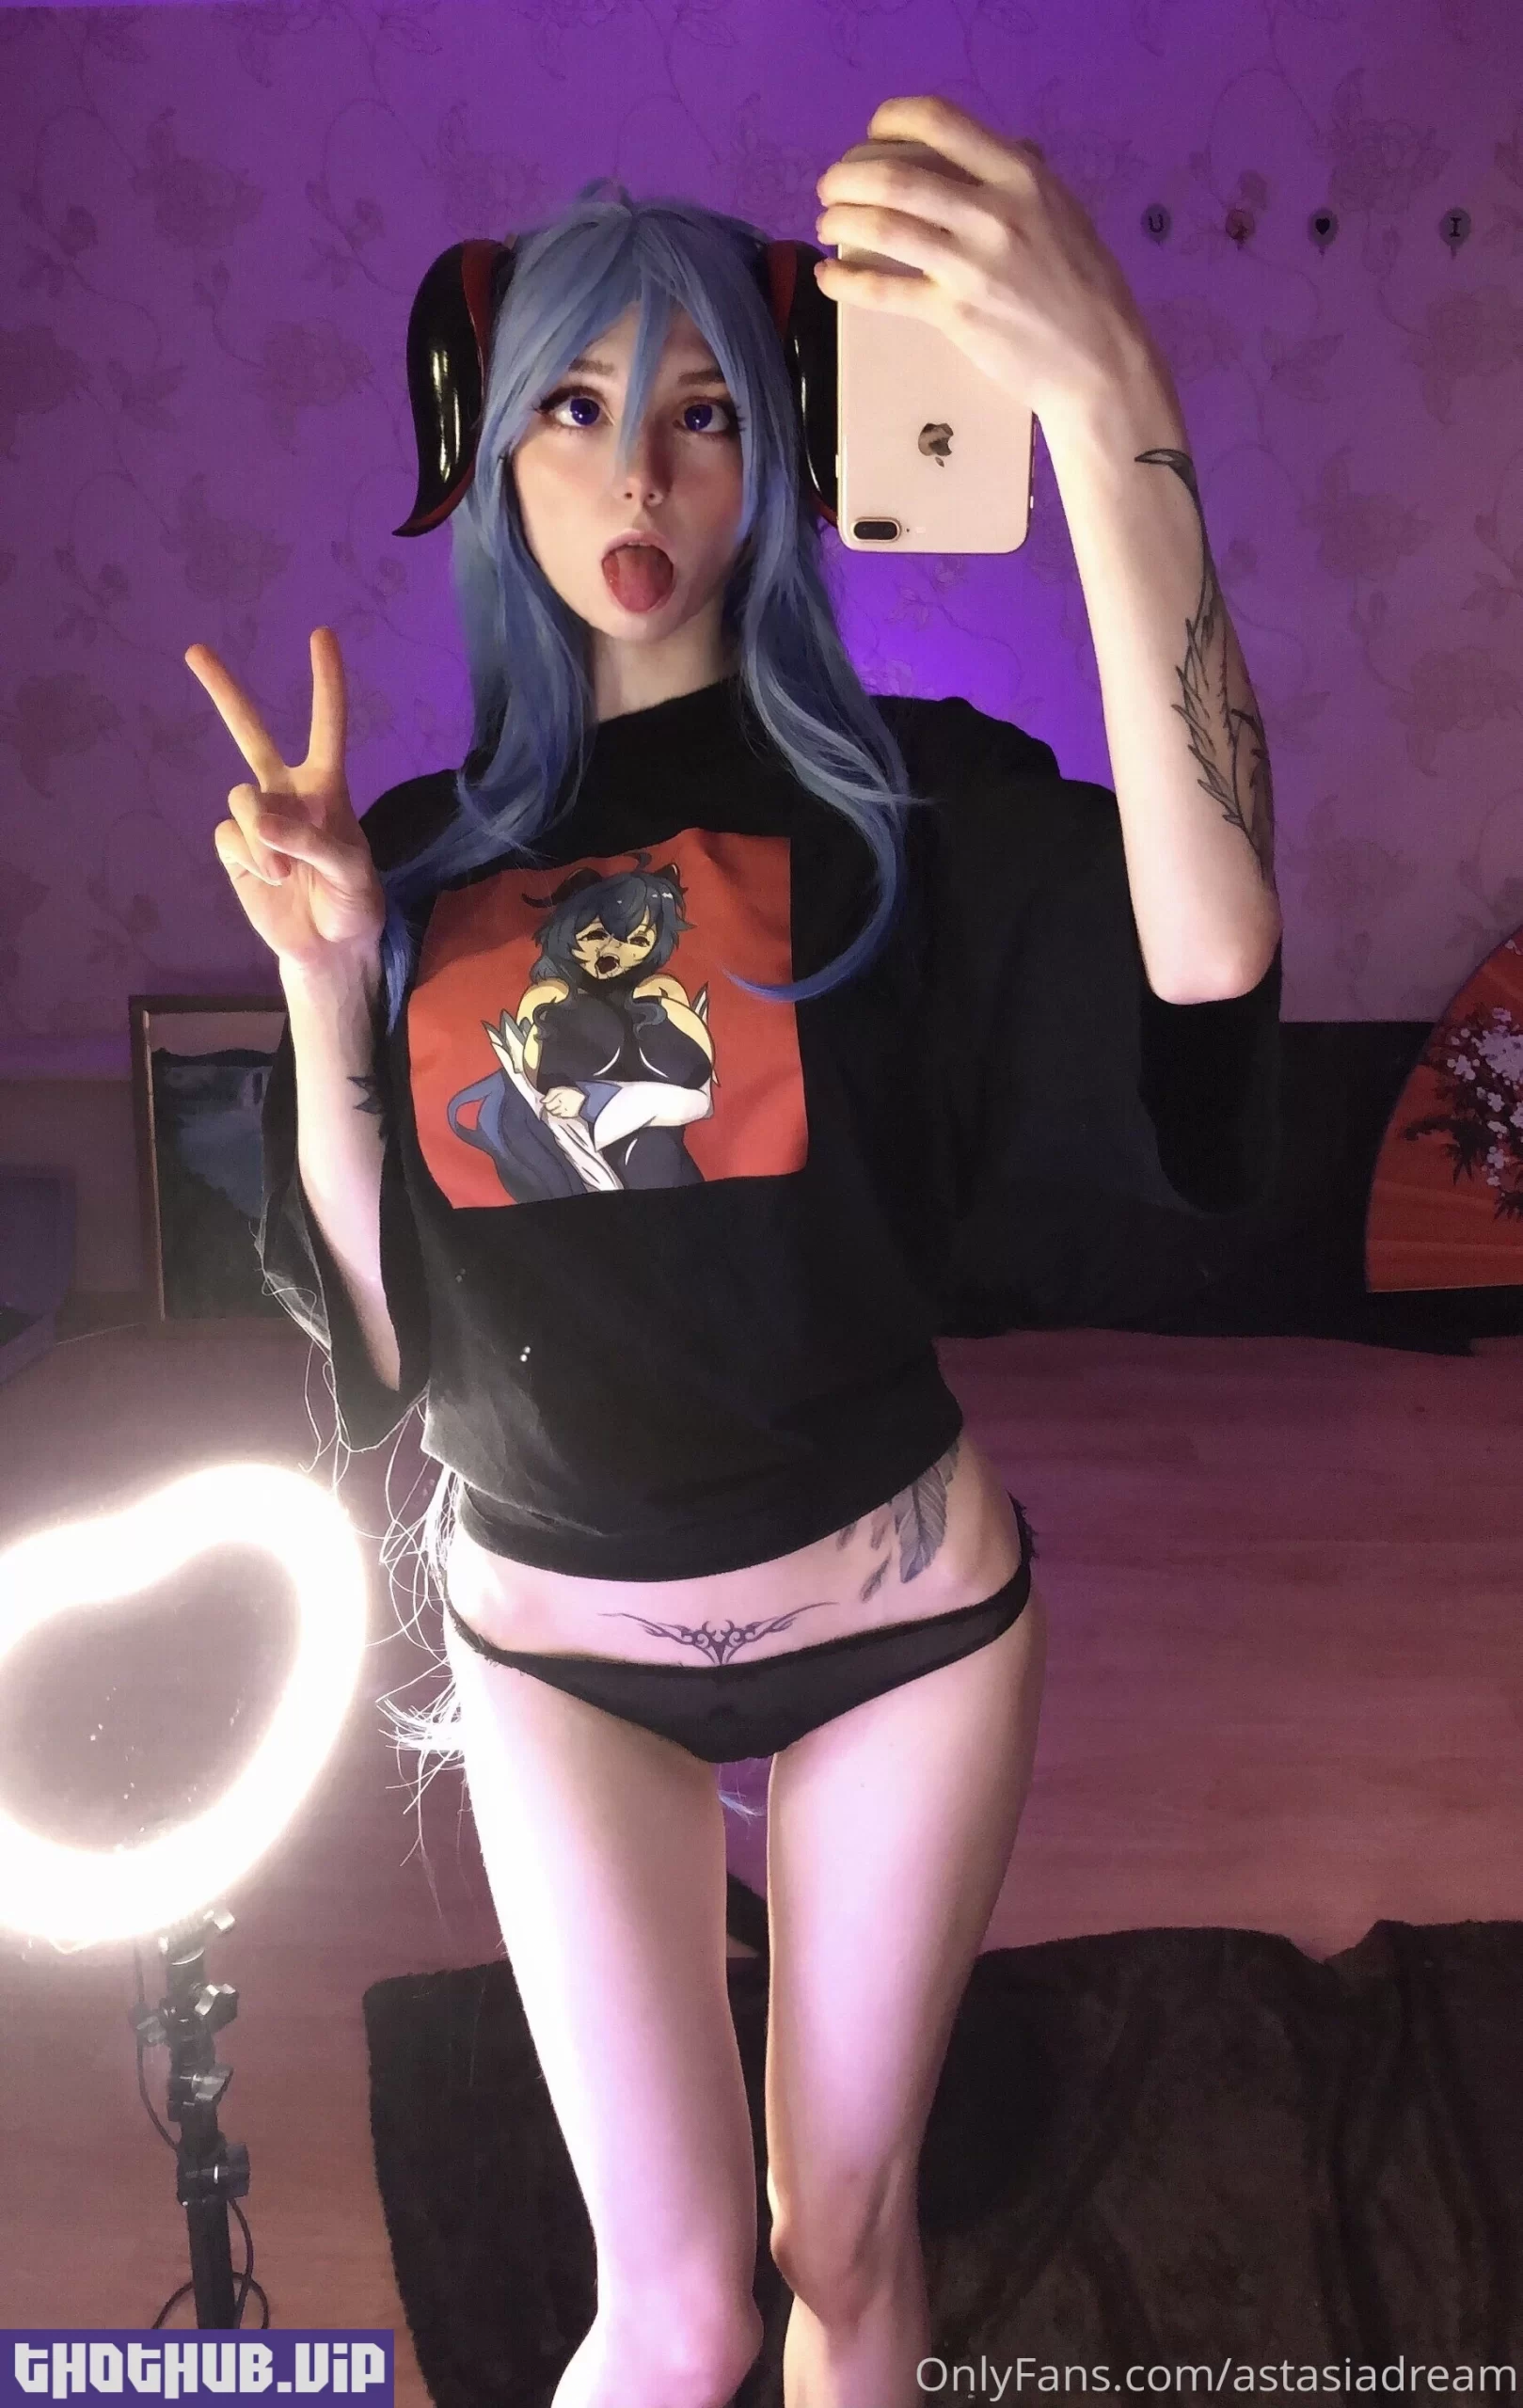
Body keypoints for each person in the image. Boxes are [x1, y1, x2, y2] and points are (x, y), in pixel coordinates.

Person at [186, 168, 1280, 2408]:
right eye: (572, 406)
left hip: (897, 1630)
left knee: (839, 2246)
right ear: (489, 448)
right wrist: (322, 975)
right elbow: (379, 1336)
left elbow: (1211, 954)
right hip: (556, 1649)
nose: (635, 474)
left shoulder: (899, 801)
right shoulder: (418, 853)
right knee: (675, 2310)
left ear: (773, 454)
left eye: (699, 411)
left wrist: (1110, 413)